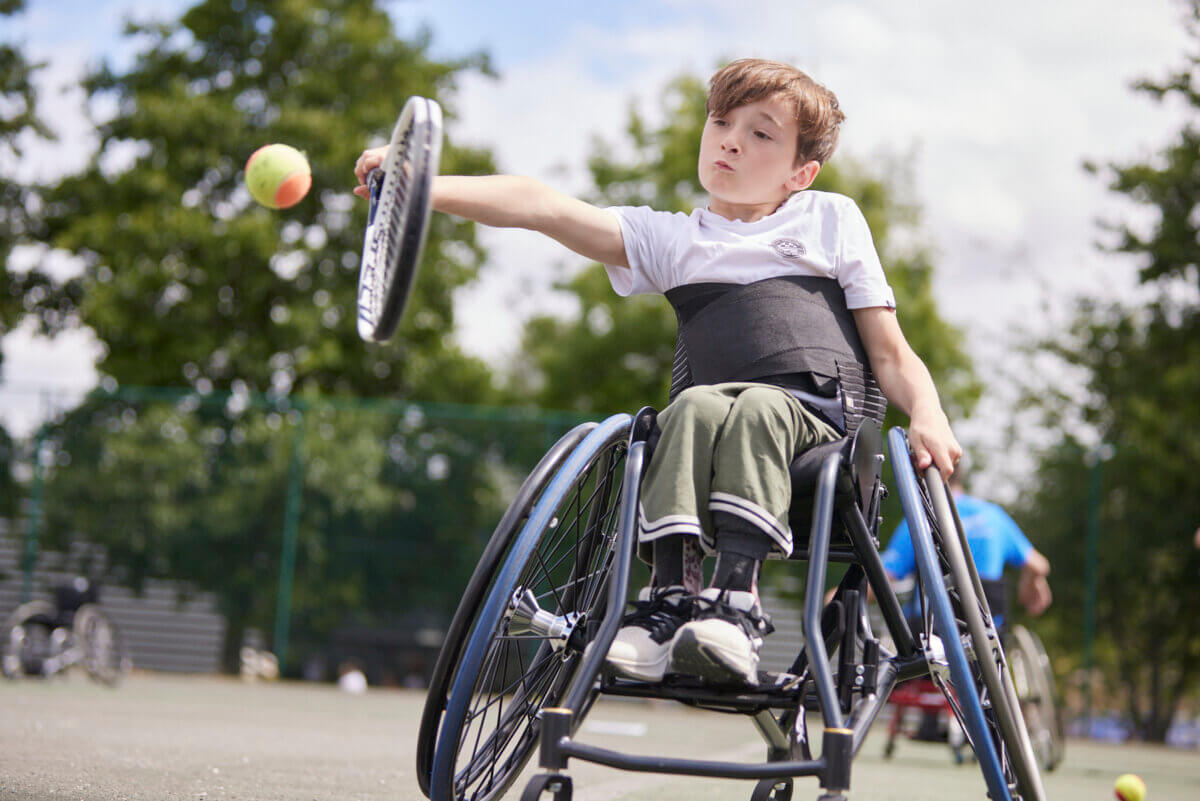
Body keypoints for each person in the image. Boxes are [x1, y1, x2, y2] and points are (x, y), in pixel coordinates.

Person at [354, 59, 961, 686]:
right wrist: (420, 182)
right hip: (715, 422)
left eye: (761, 133)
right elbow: (542, 205)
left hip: (818, 427)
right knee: (688, 411)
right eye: (722, 121)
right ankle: (668, 604)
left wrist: (928, 412)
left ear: (799, 173)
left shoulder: (829, 219)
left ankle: (735, 606)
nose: (730, 139)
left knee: (756, 407)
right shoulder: (673, 241)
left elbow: (888, 351)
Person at [880, 475, 1052, 631]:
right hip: (988, 631)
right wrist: (1031, 581)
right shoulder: (993, 516)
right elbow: (1040, 565)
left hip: (935, 632)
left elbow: (884, 578)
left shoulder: (920, 520)